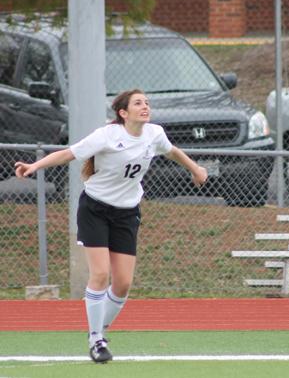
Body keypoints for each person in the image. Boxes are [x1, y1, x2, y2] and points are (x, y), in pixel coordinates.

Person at [15, 89, 208, 363]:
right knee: (100, 275)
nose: (145, 107)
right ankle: (96, 340)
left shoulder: (154, 134)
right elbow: (69, 154)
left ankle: (99, 331)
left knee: (123, 283)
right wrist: (35, 166)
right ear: (123, 113)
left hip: (127, 213)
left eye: (147, 103)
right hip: (95, 209)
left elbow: (172, 151)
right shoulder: (107, 136)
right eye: (138, 103)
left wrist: (195, 168)